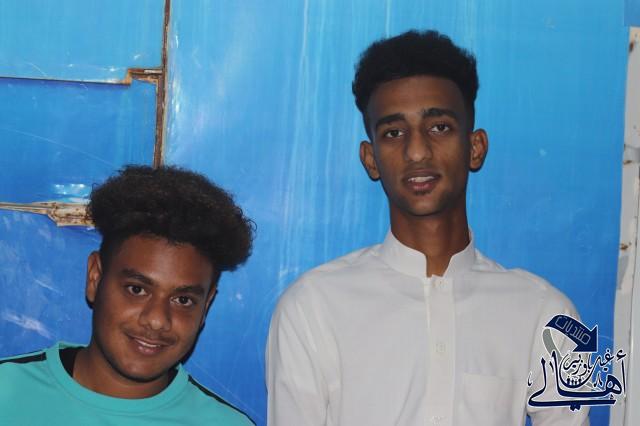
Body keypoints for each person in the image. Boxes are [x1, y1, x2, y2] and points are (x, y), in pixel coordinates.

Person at [266, 30, 589, 425]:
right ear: (370, 159)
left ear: (475, 147)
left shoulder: (549, 315)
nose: (417, 151)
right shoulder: (311, 308)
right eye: (393, 133)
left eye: (439, 127)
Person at [0, 165, 255, 425]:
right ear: (95, 278)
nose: (157, 320)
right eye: (137, 289)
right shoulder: (7, 393)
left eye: (183, 300)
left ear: (206, 305)